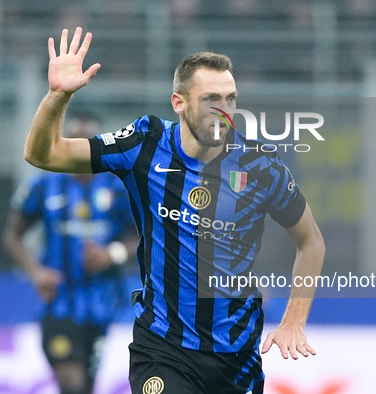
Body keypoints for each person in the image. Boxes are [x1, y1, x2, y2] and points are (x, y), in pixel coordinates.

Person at [23, 27, 325, 394]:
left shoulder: (260, 166)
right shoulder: (144, 144)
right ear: (178, 103)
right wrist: (58, 96)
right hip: (163, 348)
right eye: (211, 99)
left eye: (231, 99)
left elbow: (311, 242)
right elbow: (43, 155)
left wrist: (294, 320)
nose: (224, 111)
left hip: (236, 356)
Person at [3, 111, 136, 394]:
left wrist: (112, 254)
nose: (80, 148)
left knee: (84, 387)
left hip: (101, 306)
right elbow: (13, 235)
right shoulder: (44, 185)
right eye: (74, 140)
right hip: (58, 305)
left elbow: (143, 237)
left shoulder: (118, 188)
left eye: (88, 142)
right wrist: (35, 272)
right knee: (72, 383)